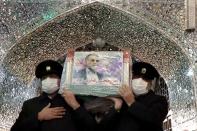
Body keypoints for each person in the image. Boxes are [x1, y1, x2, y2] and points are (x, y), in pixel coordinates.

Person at [11, 60, 96, 131]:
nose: (48, 80)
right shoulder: (30, 105)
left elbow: (93, 127)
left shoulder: (74, 101)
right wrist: (39, 117)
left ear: (60, 79)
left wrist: (75, 106)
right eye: (44, 78)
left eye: (52, 76)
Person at [116, 62, 169, 131]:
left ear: (150, 82)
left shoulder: (160, 100)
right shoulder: (121, 98)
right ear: (131, 77)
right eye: (137, 76)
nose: (140, 80)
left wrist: (132, 103)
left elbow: (153, 118)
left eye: (145, 78)